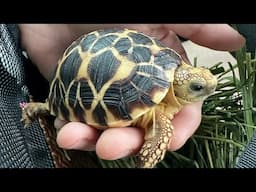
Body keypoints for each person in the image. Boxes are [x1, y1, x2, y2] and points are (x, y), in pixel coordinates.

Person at [0, 24, 246, 167]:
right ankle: (44, 106)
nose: (204, 91)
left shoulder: (169, 62)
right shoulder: (158, 114)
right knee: (53, 109)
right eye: (196, 88)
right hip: (80, 74)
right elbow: (160, 131)